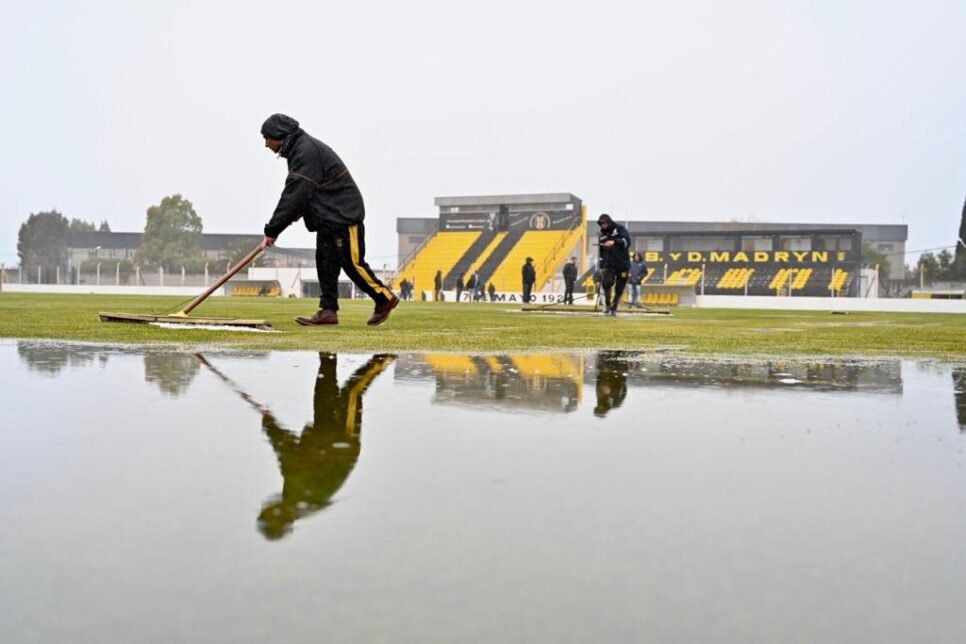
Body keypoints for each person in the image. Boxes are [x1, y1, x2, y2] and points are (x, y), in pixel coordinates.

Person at [259, 113, 397, 326]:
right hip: (327, 217)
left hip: (344, 214)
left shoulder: (305, 152)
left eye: (268, 138)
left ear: (282, 136)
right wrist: (293, 215)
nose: (267, 144)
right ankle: (328, 311)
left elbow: (296, 194)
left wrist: (272, 230)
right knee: (325, 263)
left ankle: (384, 298)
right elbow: (306, 193)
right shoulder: (298, 150)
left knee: (352, 263)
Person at [258, 352, 396, 540]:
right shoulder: (301, 495)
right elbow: (287, 453)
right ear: (275, 513)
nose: (265, 505)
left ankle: (328, 352)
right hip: (343, 439)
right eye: (266, 511)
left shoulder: (296, 498)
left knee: (325, 379)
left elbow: (286, 452)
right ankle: (383, 358)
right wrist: (270, 426)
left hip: (321, 434)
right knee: (352, 392)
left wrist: (270, 426)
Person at [596, 214, 631, 316]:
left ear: (609, 222)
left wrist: (614, 242)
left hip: (623, 264)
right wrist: (601, 265)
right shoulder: (602, 235)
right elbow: (601, 252)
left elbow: (627, 242)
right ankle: (607, 305)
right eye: (600, 224)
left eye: (604, 223)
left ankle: (614, 307)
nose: (602, 225)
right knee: (606, 283)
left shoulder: (620, 229)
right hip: (609, 265)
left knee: (620, 287)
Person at [594, 351, 628, 417]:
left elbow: (598, 383)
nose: (599, 406)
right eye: (600, 408)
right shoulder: (615, 402)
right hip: (616, 374)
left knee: (606, 355)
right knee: (616, 356)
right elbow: (623, 389)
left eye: (598, 408)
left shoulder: (601, 399)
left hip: (606, 374)